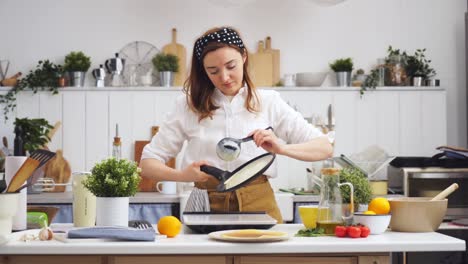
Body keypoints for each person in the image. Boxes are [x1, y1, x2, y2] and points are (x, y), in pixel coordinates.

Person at [140, 26, 333, 222]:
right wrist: (183, 175)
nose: (224, 77)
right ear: (203, 71)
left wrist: (281, 149)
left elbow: (324, 147)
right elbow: (147, 164)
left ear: (244, 57)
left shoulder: (268, 101)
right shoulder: (187, 106)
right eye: (213, 71)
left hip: (259, 203)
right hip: (205, 204)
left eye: (230, 66)